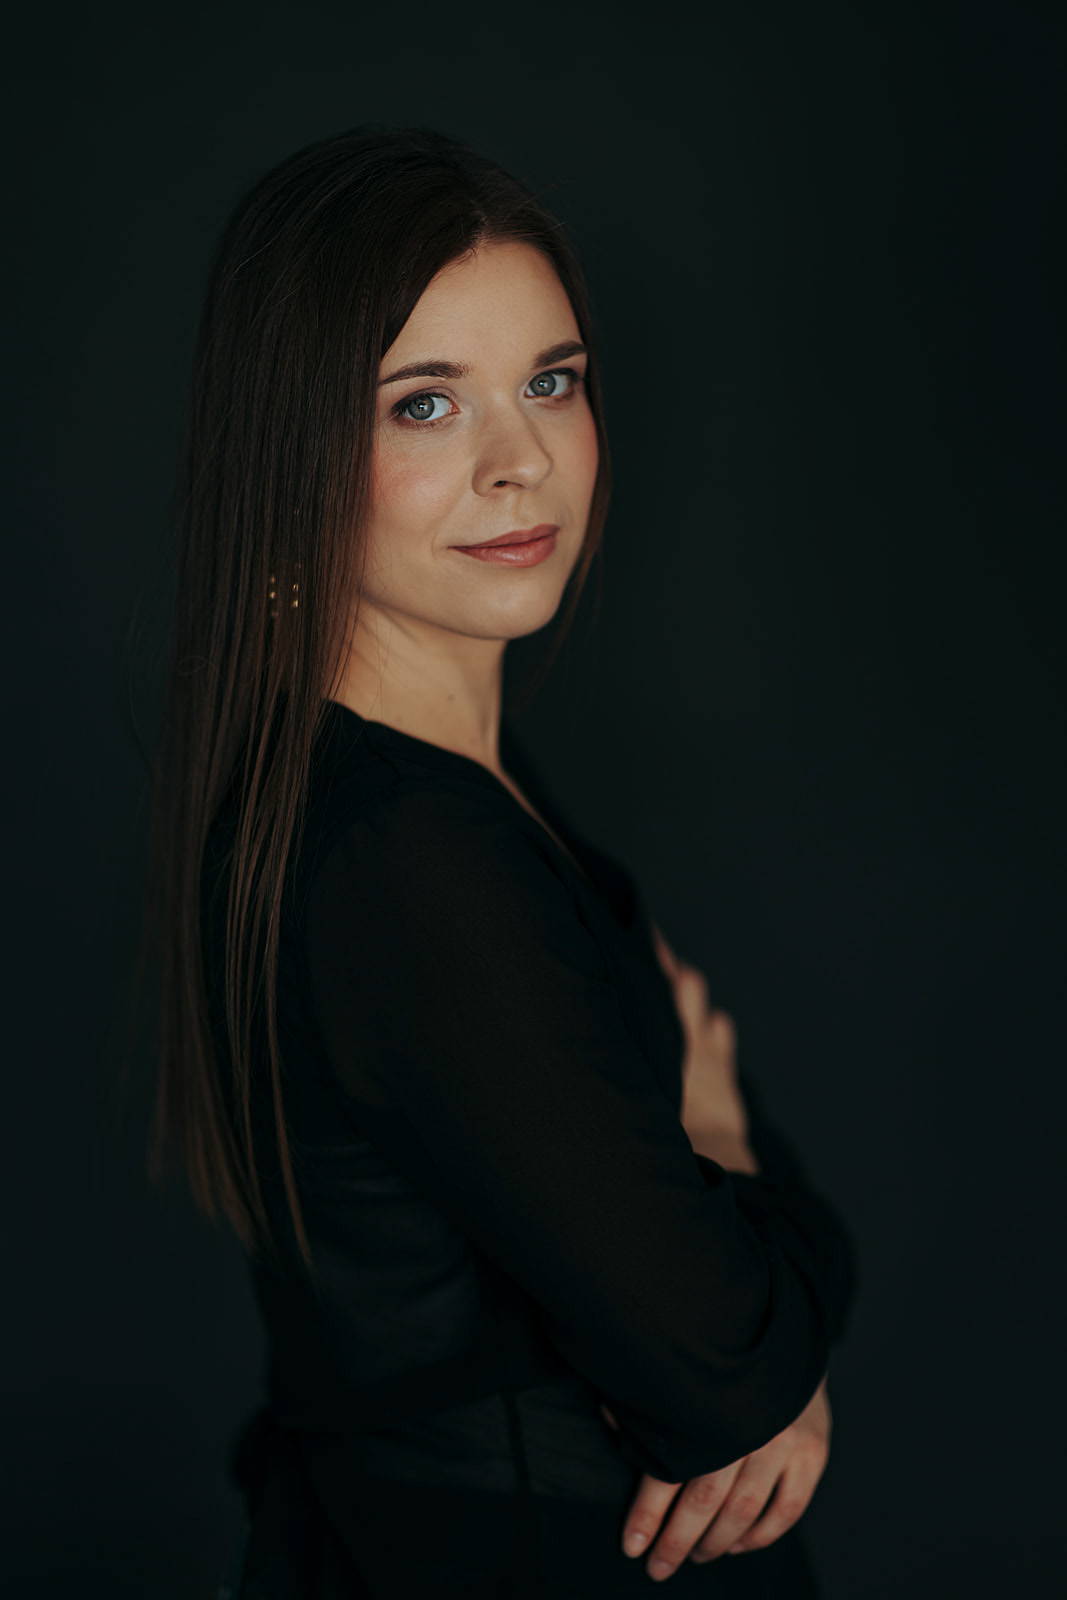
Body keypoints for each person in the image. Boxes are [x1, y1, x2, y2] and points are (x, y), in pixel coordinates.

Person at [142, 124, 857, 1598]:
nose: (520, 460)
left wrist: (741, 1300)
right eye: (424, 404)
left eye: (551, 380)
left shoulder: (416, 789)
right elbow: (726, 1358)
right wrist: (718, 1141)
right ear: (290, 453)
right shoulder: (403, 856)